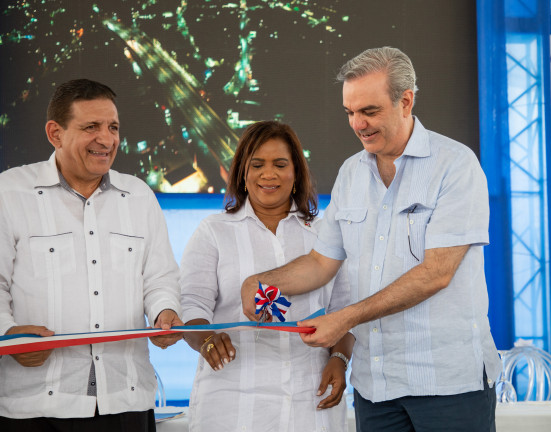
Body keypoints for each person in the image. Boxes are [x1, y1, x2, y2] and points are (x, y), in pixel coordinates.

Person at [241, 47, 501, 431]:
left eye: (369, 111)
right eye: (349, 112)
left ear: (406, 101)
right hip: (375, 388)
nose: (357, 124)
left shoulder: (455, 165)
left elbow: (436, 273)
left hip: (447, 386)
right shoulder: (351, 173)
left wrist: (343, 319)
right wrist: (261, 281)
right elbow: (320, 262)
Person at [0, 79, 183, 430]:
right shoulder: (10, 193)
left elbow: (160, 277)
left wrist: (165, 311)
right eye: (91, 127)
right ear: (55, 134)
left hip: (127, 400)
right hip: (36, 405)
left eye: (113, 127)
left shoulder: (139, 196)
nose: (107, 139)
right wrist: (9, 334)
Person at [180, 121, 353, 432]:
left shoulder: (326, 236)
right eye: (257, 165)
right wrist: (205, 339)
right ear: (242, 173)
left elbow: (345, 311)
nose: (268, 174)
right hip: (232, 407)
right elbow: (191, 305)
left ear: (296, 172)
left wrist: (339, 358)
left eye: (280, 164)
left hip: (311, 402)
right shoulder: (214, 231)